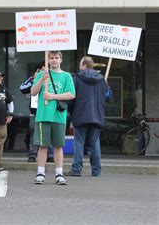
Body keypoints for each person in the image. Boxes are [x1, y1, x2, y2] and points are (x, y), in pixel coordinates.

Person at [30, 51, 75, 185]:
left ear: (61, 60)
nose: (54, 60)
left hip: (59, 116)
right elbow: (33, 92)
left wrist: (53, 97)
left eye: (56, 58)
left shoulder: (66, 76)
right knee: (42, 146)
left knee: (58, 146)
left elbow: (71, 94)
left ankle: (59, 174)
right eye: (51, 58)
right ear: (48, 60)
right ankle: (40, 173)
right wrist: (41, 80)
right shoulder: (42, 74)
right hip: (43, 116)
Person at [67, 56, 112, 177]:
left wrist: (70, 112)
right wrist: (106, 86)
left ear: (85, 66)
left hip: (80, 115)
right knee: (95, 143)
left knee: (79, 142)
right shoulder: (102, 80)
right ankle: (96, 171)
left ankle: (76, 170)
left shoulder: (76, 78)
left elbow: (71, 97)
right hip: (97, 116)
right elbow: (107, 97)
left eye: (81, 65)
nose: (79, 67)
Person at [20, 62, 54, 163]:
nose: (45, 72)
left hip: (48, 110)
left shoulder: (52, 78)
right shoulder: (34, 79)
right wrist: (35, 79)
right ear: (38, 70)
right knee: (34, 132)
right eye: (42, 70)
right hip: (35, 112)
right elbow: (22, 88)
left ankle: (49, 154)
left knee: (48, 132)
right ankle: (32, 154)